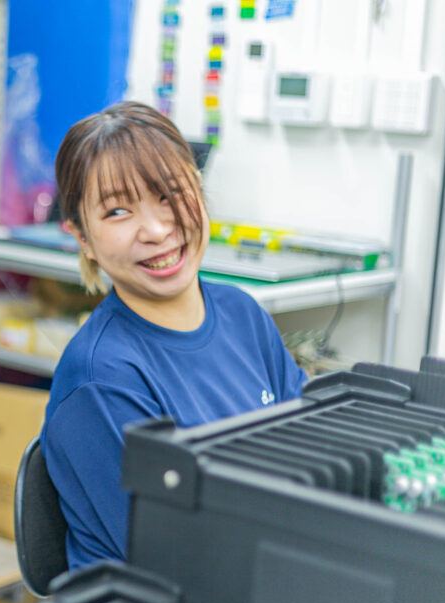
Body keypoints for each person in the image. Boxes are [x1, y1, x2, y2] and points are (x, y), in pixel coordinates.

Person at [41, 102, 307, 569]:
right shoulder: (101, 376)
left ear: (198, 191)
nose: (157, 229)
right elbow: (173, 555)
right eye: (118, 211)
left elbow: (307, 453)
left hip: (264, 565)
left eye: (169, 194)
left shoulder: (242, 313)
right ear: (82, 237)